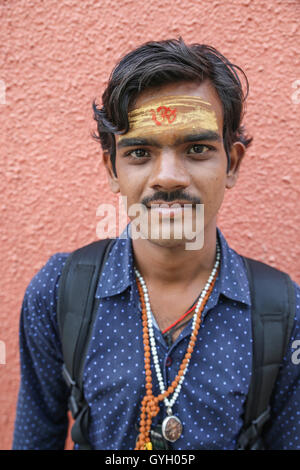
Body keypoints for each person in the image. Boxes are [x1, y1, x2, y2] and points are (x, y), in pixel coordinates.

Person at [12, 38, 300, 450]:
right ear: (112, 168)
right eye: (141, 152)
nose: (168, 177)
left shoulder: (285, 313)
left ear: (232, 163)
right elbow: (34, 439)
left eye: (197, 149)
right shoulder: (59, 292)